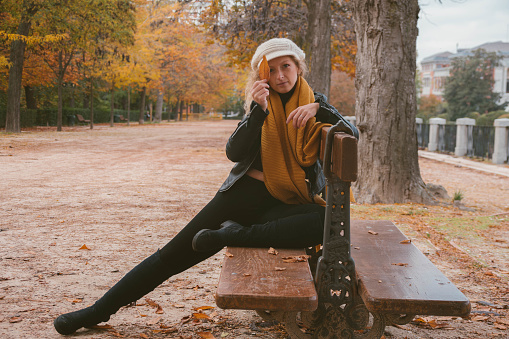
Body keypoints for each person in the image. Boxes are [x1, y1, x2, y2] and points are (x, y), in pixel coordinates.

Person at [53, 38, 358, 335]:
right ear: (262, 75)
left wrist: (319, 109)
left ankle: (235, 235)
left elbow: (351, 131)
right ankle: (97, 310)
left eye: (286, 66)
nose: (280, 75)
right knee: (172, 255)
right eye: (273, 69)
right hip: (240, 199)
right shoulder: (260, 104)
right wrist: (257, 111)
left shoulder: (314, 102)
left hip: (282, 204)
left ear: (299, 67)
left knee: (328, 222)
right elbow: (234, 153)